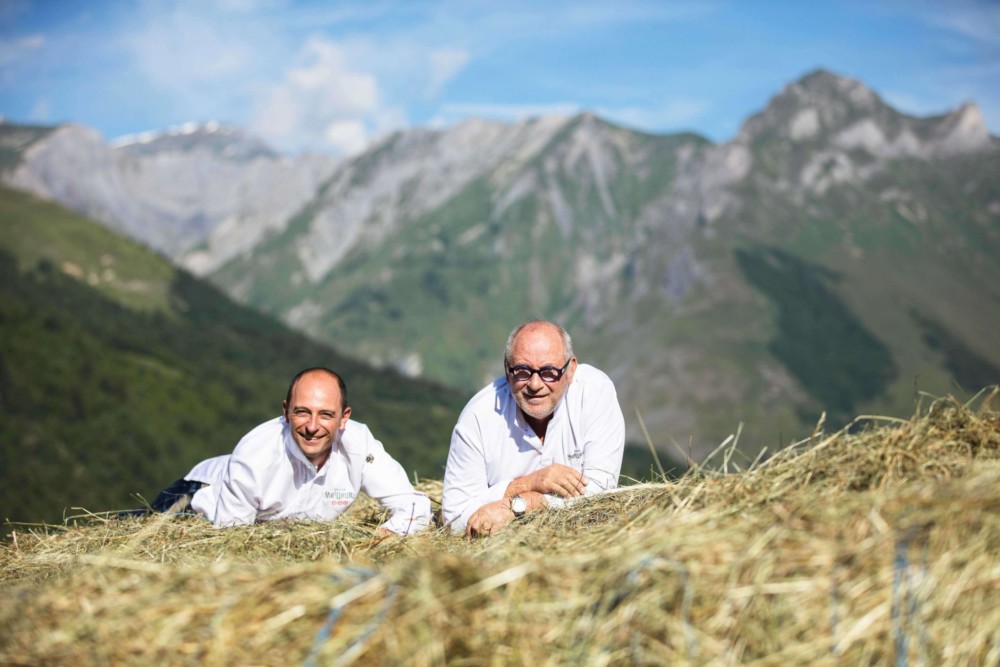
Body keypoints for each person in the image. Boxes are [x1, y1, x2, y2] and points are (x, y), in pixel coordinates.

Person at [151, 367, 431, 536]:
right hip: (195, 500)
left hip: (270, 524)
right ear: (285, 411)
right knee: (121, 533)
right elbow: (231, 541)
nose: (312, 426)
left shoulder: (360, 446)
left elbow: (417, 507)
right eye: (301, 412)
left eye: (325, 415)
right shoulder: (256, 455)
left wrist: (381, 539)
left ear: (344, 418)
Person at [442, 320, 625, 537]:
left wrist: (524, 504)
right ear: (507, 369)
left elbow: (601, 492)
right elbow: (453, 518)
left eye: (549, 372)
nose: (535, 385)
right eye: (522, 371)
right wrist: (529, 483)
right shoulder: (477, 417)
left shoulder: (594, 393)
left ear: (571, 369)